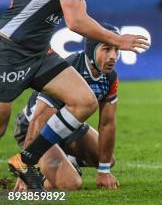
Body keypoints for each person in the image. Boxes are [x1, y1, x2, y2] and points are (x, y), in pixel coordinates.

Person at [0, 0, 150, 189]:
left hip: (38, 51)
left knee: (84, 101)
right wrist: (119, 40)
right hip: (10, 50)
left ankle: (26, 161)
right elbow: (76, 21)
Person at [14, 23, 123, 191]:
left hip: (68, 128)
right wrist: (26, 170)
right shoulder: (68, 69)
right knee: (70, 184)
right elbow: (39, 119)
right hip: (35, 131)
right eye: (107, 49)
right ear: (92, 49)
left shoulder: (110, 77)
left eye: (117, 50)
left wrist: (104, 171)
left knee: (107, 159)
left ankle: (67, 160)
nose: (113, 56)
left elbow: (107, 124)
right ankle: (39, 172)